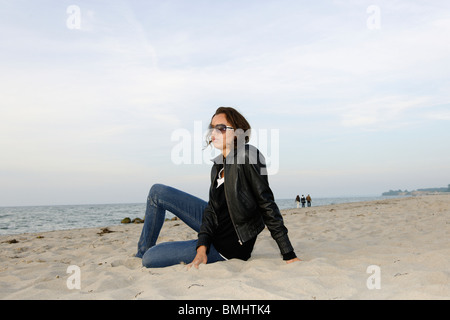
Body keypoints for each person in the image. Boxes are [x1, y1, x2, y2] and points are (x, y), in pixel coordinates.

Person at [136, 107, 300, 268]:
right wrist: (201, 246)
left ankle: (146, 254)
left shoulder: (248, 155)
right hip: (216, 226)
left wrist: (288, 253)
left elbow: (266, 203)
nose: (213, 133)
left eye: (220, 128)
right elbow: (212, 210)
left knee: (150, 259)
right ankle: (142, 251)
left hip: (227, 246)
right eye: (212, 128)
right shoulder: (218, 166)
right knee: (157, 192)